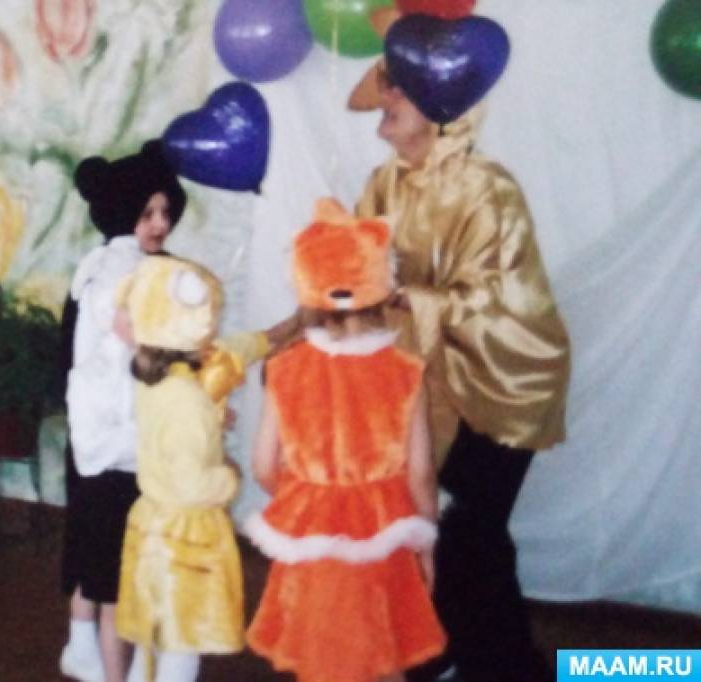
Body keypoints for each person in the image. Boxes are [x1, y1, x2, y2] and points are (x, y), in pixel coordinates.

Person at [350, 61, 571, 682]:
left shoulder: (487, 188)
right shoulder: (382, 183)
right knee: (446, 530)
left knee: (469, 531)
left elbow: (489, 300)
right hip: (428, 384)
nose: (384, 98)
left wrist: (402, 296)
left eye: (398, 87)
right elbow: (354, 270)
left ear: (440, 106)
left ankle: (489, 663)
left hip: (504, 383)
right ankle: (461, 657)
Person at [246, 199, 445, 681]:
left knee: (323, 657)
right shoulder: (405, 372)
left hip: (312, 541)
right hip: (385, 533)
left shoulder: (285, 368)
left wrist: (306, 499)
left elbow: (264, 464)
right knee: (384, 655)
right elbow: (420, 474)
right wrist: (425, 540)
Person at [59, 140, 186, 682]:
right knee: (116, 579)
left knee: (107, 567)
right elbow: (141, 344)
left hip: (112, 444)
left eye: (165, 212)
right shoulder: (119, 273)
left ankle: (91, 651)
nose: (160, 224)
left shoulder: (114, 265)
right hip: (115, 448)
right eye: (147, 213)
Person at [115, 256, 269, 682]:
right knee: (182, 648)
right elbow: (192, 484)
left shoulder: (155, 384)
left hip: (152, 524)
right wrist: (229, 476)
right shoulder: (189, 398)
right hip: (186, 536)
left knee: (151, 646)